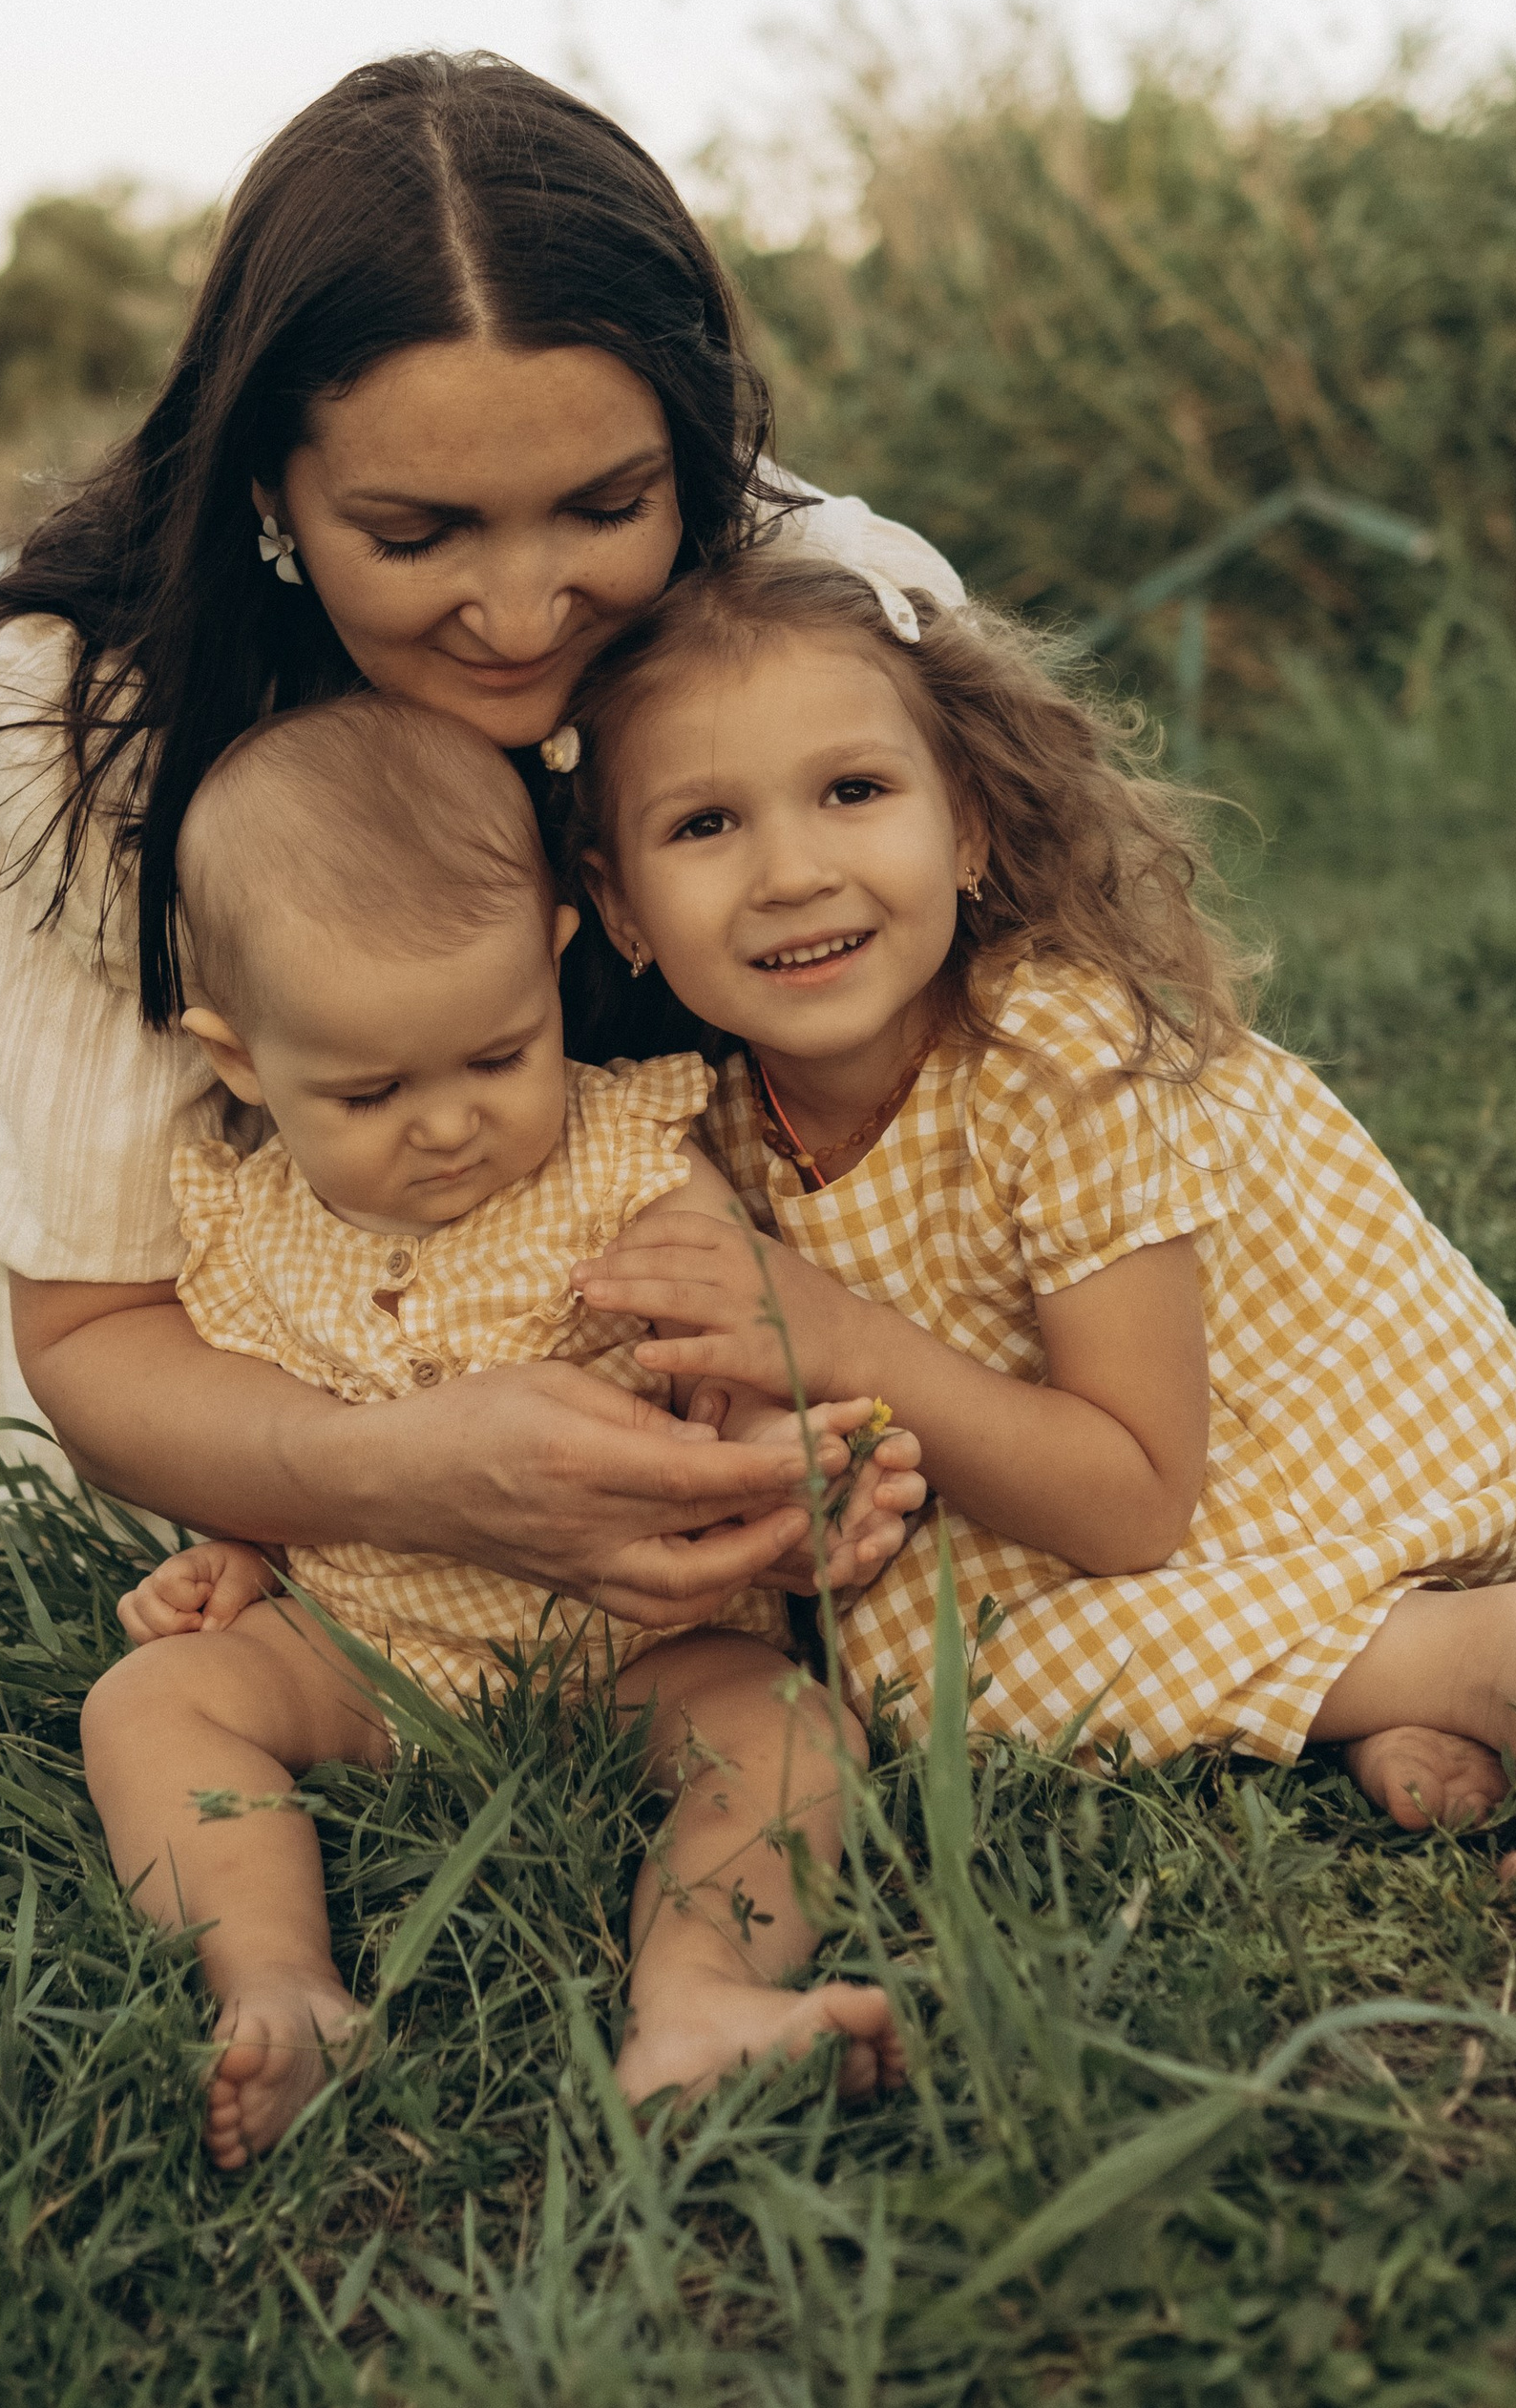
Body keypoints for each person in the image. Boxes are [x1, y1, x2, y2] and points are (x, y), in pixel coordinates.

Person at [0, 52, 958, 1637]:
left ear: (687, 453)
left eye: (604, 507)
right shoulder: (68, 726)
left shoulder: (828, 623)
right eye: (416, 536)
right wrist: (404, 1473)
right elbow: (102, 1331)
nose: (520, 608)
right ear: (271, 487)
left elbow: (1034, 1118)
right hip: (221, 1407)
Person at [559, 551, 1516, 1879]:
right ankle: (1386, 1689)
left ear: (971, 825)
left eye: (854, 791)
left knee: (955, 1680)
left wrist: (842, 1342)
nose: (791, 872)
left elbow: (1140, 1503)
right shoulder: (705, 1118)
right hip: (1059, 1474)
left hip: (1300, 1449)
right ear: (618, 903)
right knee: (896, 1666)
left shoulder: (1060, 1048)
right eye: (705, 825)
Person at [80, 692, 919, 2164]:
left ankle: (701, 1998)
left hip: (639, 1644)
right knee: (146, 1705)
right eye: (370, 1090)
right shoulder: (240, 1220)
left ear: (551, 960)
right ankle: (281, 1982)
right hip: (358, 1647)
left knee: (791, 1733)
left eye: (494, 1055)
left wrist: (778, 1462)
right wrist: (235, 1555)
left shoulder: (630, 1167)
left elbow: (749, 1356)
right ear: (238, 1061)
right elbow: (259, 1416)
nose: (449, 1121)